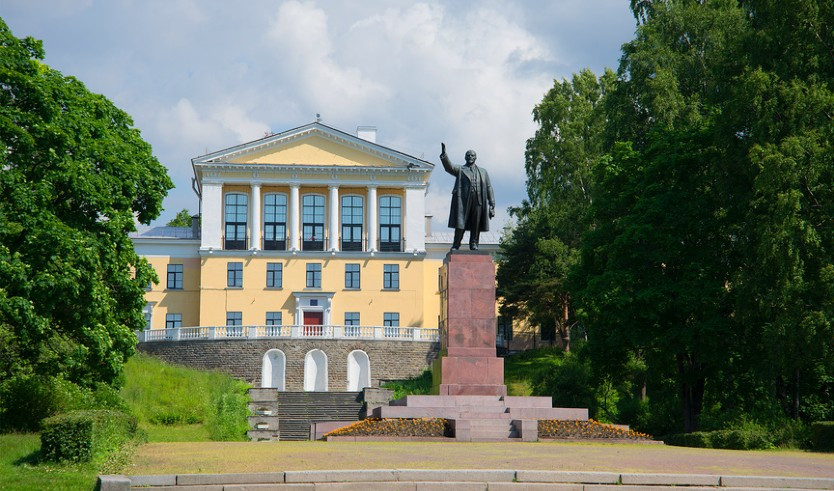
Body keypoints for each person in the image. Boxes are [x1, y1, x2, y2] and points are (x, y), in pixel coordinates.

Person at [440, 142, 495, 250]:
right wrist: (444, 155)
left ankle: (474, 243)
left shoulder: (483, 172)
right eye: (468, 155)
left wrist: (492, 203)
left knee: (476, 223)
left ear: (476, 158)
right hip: (464, 201)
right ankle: (456, 244)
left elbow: (489, 187)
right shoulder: (461, 169)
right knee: (461, 223)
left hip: (478, 200)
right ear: (465, 157)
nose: (470, 157)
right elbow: (449, 167)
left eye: (472, 155)